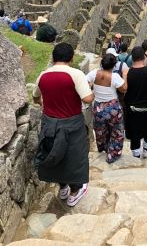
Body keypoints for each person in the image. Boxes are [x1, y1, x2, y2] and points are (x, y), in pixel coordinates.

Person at [33, 43, 94, 207]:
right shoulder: (75, 74)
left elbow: (36, 96)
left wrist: (44, 103)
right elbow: (87, 99)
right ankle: (75, 191)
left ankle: (63, 187)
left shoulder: (43, 75)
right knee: (74, 155)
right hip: (71, 122)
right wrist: (92, 90)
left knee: (54, 152)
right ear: (72, 58)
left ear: (53, 58)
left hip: (50, 122)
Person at [86, 54, 126, 163]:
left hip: (98, 107)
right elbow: (123, 89)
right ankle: (112, 155)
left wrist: (91, 91)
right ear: (114, 65)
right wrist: (125, 75)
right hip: (112, 107)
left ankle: (103, 147)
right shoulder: (115, 77)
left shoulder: (94, 73)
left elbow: (85, 82)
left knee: (100, 130)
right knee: (117, 131)